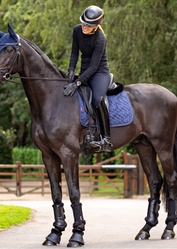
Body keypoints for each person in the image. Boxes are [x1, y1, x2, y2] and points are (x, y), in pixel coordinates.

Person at [63, 5, 113, 152]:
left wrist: (78, 82)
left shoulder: (100, 39)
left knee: (97, 99)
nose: (85, 27)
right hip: (85, 70)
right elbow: (74, 53)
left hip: (99, 72)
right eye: (84, 23)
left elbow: (93, 67)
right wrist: (71, 70)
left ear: (96, 26)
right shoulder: (77, 30)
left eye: (89, 25)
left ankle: (106, 139)